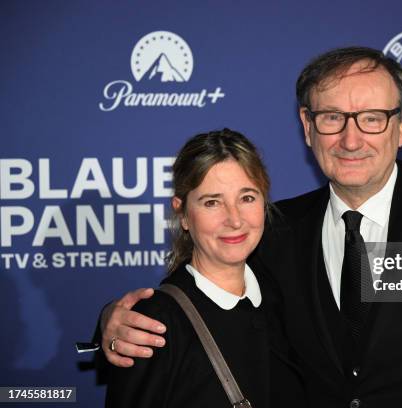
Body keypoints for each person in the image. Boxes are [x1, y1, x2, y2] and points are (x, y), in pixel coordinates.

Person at [98, 47, 402, 407]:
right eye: (332, 117)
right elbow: (207, 306)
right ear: (307, 126)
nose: (351, 139)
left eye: (372, 118)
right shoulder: (273, 231)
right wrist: (111, 324)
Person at [104, 129, 304, 407]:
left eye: (247, 198)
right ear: (183, 213)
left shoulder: (282, 291)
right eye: (212, 202)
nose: (234, 219)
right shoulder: (155, 325)